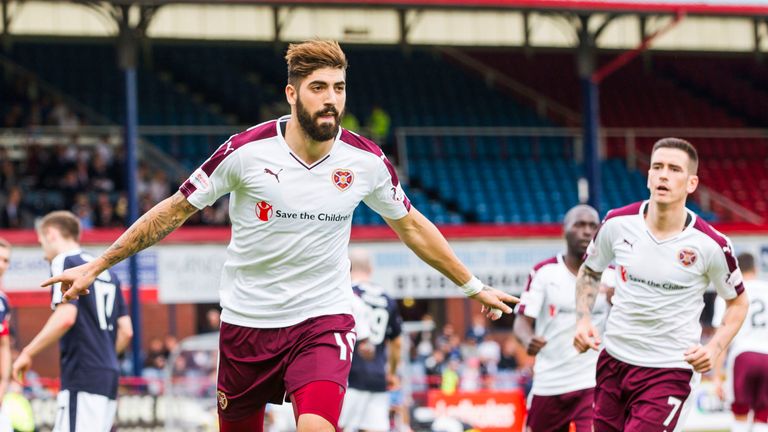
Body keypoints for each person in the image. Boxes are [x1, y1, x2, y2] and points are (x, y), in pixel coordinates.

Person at [42, 40, 517, 432]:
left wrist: (472, 285)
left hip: (322, 319)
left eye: (338, 88)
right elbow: (173, 210)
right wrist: (99, 264)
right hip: (247, 323)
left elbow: (412, 225)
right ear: (292, 94)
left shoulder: (367, 162)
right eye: (318, 88)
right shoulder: (245, 152)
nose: (331, 99)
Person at [573, 138, 749, 432]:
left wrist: (715, 347)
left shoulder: (712, 245)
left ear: (691, 183)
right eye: (657, 167)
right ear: (649, 177)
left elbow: (738, 303)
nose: (663, 175)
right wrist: (582, 319)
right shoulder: (616, 223)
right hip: (613, 361)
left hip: (669, 370)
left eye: (674, 169)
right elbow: (590, 271)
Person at [12, 211, 133, 432]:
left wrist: (28, 352)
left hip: (83, 373)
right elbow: (126, 331)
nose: (43, 254)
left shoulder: (65, 261)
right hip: (108, 375)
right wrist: (102, 355)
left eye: (41, 243)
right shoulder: (106, 271)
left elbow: (66, 317)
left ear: (51, 234)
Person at [514, 205, 615, 432]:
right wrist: (528, 339)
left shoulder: (611, 276)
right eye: (579, 225)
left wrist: (618, 302)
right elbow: (522, 322)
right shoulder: (544, 272)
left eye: (593, 226)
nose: (587, 231)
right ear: (564, 230)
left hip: (593, 382)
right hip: (549, 382)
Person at [339, 248, 403, 432]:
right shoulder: (387, 299)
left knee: (341, 427)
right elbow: (397, 343)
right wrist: (391, 372)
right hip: (377, 376)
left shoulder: (346, 294)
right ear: (371, 269)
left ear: (348, 267)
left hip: (348, 376)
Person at [712, 252, 768, 432]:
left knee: (740, 415)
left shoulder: (729, 293)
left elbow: (721, 339)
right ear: (756, 269)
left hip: (743, 356)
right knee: (763, 416)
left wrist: (717, 377)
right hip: (767, 356)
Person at [0, 239, 11, 411]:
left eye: (6, 260)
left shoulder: (3, 301)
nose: (2, 265)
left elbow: (4, 345)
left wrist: (3, 385)